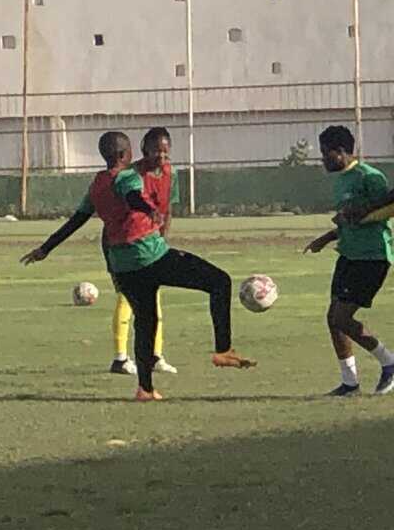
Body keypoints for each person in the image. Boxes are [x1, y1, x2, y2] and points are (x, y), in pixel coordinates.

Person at [21, 130, 255, 400]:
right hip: (149, 256)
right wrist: (148, 209)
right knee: (219, 281)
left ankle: (145, 388)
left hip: (123, 266)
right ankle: (223, 351)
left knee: (145, 323)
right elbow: (133, 195)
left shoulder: (97, 184)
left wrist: (45, 248)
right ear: (124, 153)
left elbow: (76, 220)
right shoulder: (128, 177)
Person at [302, 125, 394, 397]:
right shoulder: (341, 179)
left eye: (325, 153)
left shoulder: (369, 176)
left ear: (341, 151)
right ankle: (350, 382)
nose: (322, 159)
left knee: (342, 317)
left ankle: (389, 362)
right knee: (333, 319)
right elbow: (349, 220)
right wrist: (327, 237)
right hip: (348, 255)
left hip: (372, 257)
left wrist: (358, 212)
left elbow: (385, 209)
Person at [107, 128, 178, 378]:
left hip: (152, 247)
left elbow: (167, 211)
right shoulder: (130, 176)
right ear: (143, 150)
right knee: (127, 299)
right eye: (156, 151)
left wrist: (162, 244)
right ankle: (120, 358)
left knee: (154, 301)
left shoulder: (171, 174)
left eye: (165, 152)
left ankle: (155, 356)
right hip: (126, 246)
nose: (161, 157)